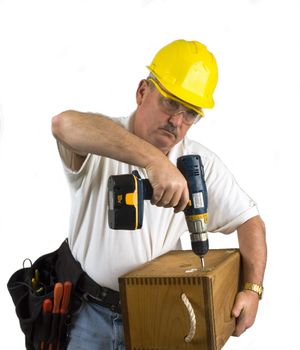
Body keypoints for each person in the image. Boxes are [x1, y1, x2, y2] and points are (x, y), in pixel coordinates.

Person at [51, 39, 267, 349]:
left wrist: (252, 289)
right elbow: (62, 124)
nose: (177, 121)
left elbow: (251, 222)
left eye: (190, 113)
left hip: (159, 313)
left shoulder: (198, 163)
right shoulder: (98, 138)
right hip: (88, 313)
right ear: (142, 92)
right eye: (170, 103)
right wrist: (154, 162)